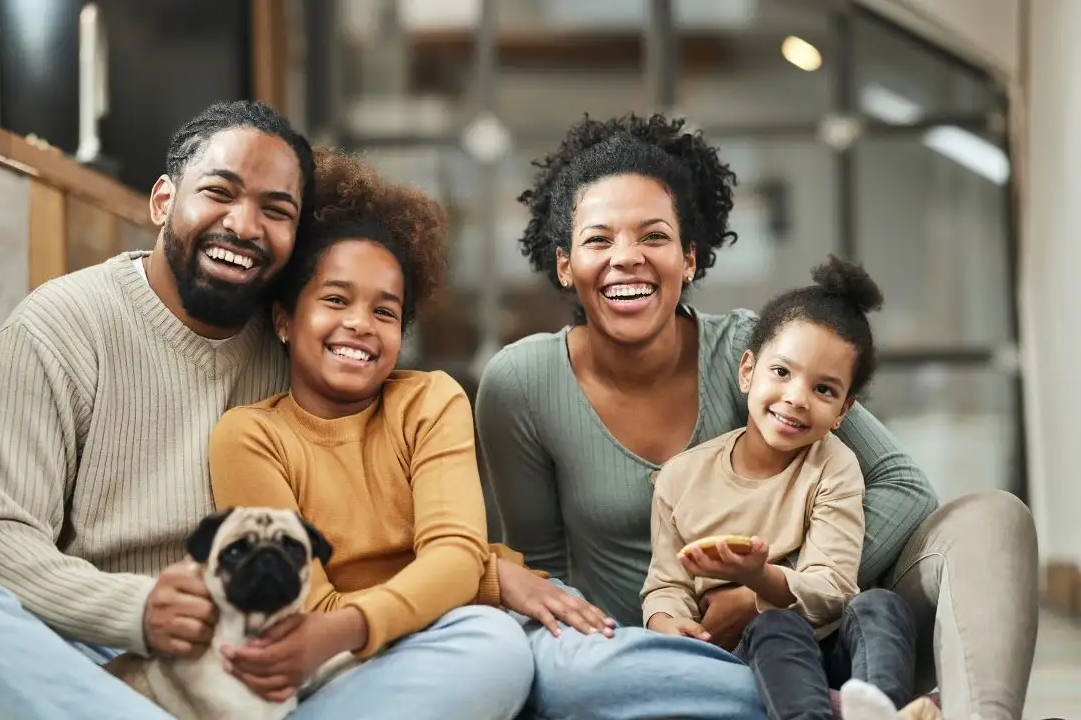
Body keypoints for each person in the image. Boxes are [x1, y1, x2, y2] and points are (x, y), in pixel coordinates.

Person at [0, 100, 513, 720]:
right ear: (163, 199)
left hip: (277, 655)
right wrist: (136, 608)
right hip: (107, 656)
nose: (244, 224)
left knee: (490, 648)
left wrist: (491, 571)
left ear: (295, 239)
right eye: (220, 191)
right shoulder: (60, 326)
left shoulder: (301, 340)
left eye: (276, 209)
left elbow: (383, 504)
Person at [477, 112, 1038, 720]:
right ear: (565, 265)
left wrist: (768, 590)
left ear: (689, 258)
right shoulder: (523, 383)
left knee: (993, 517)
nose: (627, 258)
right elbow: (544, 573)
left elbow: (903, 489)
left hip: (832, 641)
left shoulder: (761, 357)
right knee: (561, 672)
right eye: (598, 239)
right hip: (647, 657)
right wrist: (662, 625)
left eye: (654, 236)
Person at [203, 148, 535, 719]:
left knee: (579, 656)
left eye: (385, 312)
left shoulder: (429, 399)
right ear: (284, 319)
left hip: (446, 631)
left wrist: (466, 575)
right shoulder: (250, 436)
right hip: (348, 665)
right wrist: (488, 577)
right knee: (495, 649)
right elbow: (310, 613)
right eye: (335, 299)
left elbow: (454, 555)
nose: (360, 323)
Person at [641, 256, 939, 720]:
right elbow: (665, 584)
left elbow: (834, 587)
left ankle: (881, 709)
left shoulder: (835, 467)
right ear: (747, 372)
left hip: (832, 651)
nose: (797, 398)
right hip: (749, 656)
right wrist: (666, 622)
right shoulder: (682, 476)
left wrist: (761, 576)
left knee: (880, 604)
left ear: (843, 410)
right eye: (781, 372)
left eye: (824, 390)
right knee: (775, 626)